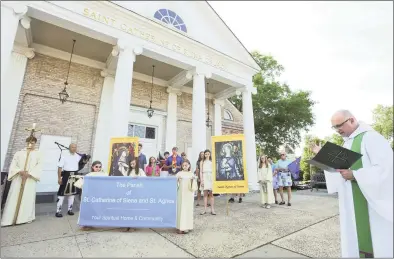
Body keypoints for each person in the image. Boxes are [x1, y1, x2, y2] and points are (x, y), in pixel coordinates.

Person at [311, 110, 393, 258]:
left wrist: (355, 174)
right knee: (353, 236)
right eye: (334, 127)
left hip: (370, 203)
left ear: (352, 120)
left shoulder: (372, 138)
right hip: (351, 201)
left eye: (339, 125)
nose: (337, 130)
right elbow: (340, 167)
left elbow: (386, 168)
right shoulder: (348, 142)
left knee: (376, 242)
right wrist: (321, 154)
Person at [1, 136, 42, 226]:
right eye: (29, 142)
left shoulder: (38, 154)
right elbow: (13, 165)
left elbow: (39, 166)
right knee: (14, 196)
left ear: (35, 143)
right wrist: (19, 171)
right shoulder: (19, 153)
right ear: (26, 142)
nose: (30, 144)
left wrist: (30, 173)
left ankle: (25, 217)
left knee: (28, 197)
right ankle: (10, 218)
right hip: (18, 178)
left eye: (33, 142)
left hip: (30, 179)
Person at [74, 161, 106, 231]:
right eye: (96, 167)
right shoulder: (89, 175)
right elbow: (79, 184)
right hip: (90, 195)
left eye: (100, 167)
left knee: (98, 209)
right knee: (89, 209)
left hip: (99, 195)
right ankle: (86, 224)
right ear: (93, 167)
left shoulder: (104, 175)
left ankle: (93, 223)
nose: (98, 168)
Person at [56, 143, 81, 218]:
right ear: (69, 148)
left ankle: (70, 210)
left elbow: (81, 164)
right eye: (72, 147)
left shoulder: (78, 157)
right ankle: (58, 211)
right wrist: (59, 178)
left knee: (72, 194)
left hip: (75, 175)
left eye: (75, 147)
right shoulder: (64, 156)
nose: (74, 148)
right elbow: (60, 168)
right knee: (61, 194)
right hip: (66, 175)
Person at [176, 160, 198, 234]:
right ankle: (180, 227)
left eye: (186, 165)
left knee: (188, 209)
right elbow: (175, 184)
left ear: (189, 165)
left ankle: (187, 227)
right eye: (183, 165)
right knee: (181, 209)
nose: (185, 166)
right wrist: (178, 180)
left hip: (188, 194)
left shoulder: (191, 174)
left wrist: (192, 180)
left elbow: (194, 186)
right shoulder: (179, 173)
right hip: (181, 194)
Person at [200, 149, 216, 215]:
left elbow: (214, 171)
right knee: (205, 194)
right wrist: (201, 180)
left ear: (210, 154)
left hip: (211, 177)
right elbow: (201, 171)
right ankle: (205, 209)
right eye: (206, 154)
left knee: (211, 194)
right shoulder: (202, 162)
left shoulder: (212, 161)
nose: (207, 155)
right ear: (204, 154)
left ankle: (212, 209)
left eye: (208, 154)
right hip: (204, 176)